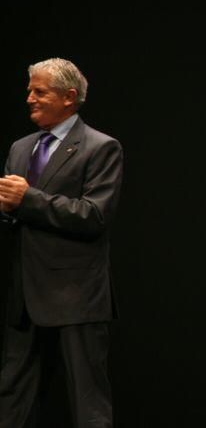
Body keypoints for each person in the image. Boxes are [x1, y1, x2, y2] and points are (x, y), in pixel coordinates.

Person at [0, 58, 123, 427]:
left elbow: (94, 216)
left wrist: (28, 200)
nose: (30, 99)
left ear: (69, 97)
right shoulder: (21, 148)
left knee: (88, 403)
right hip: (25, 294)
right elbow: (13, 213)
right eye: (29, 91)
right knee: (12, 399)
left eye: (40, 92)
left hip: (77, 294)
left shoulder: (100, 148)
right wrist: (7, 209)